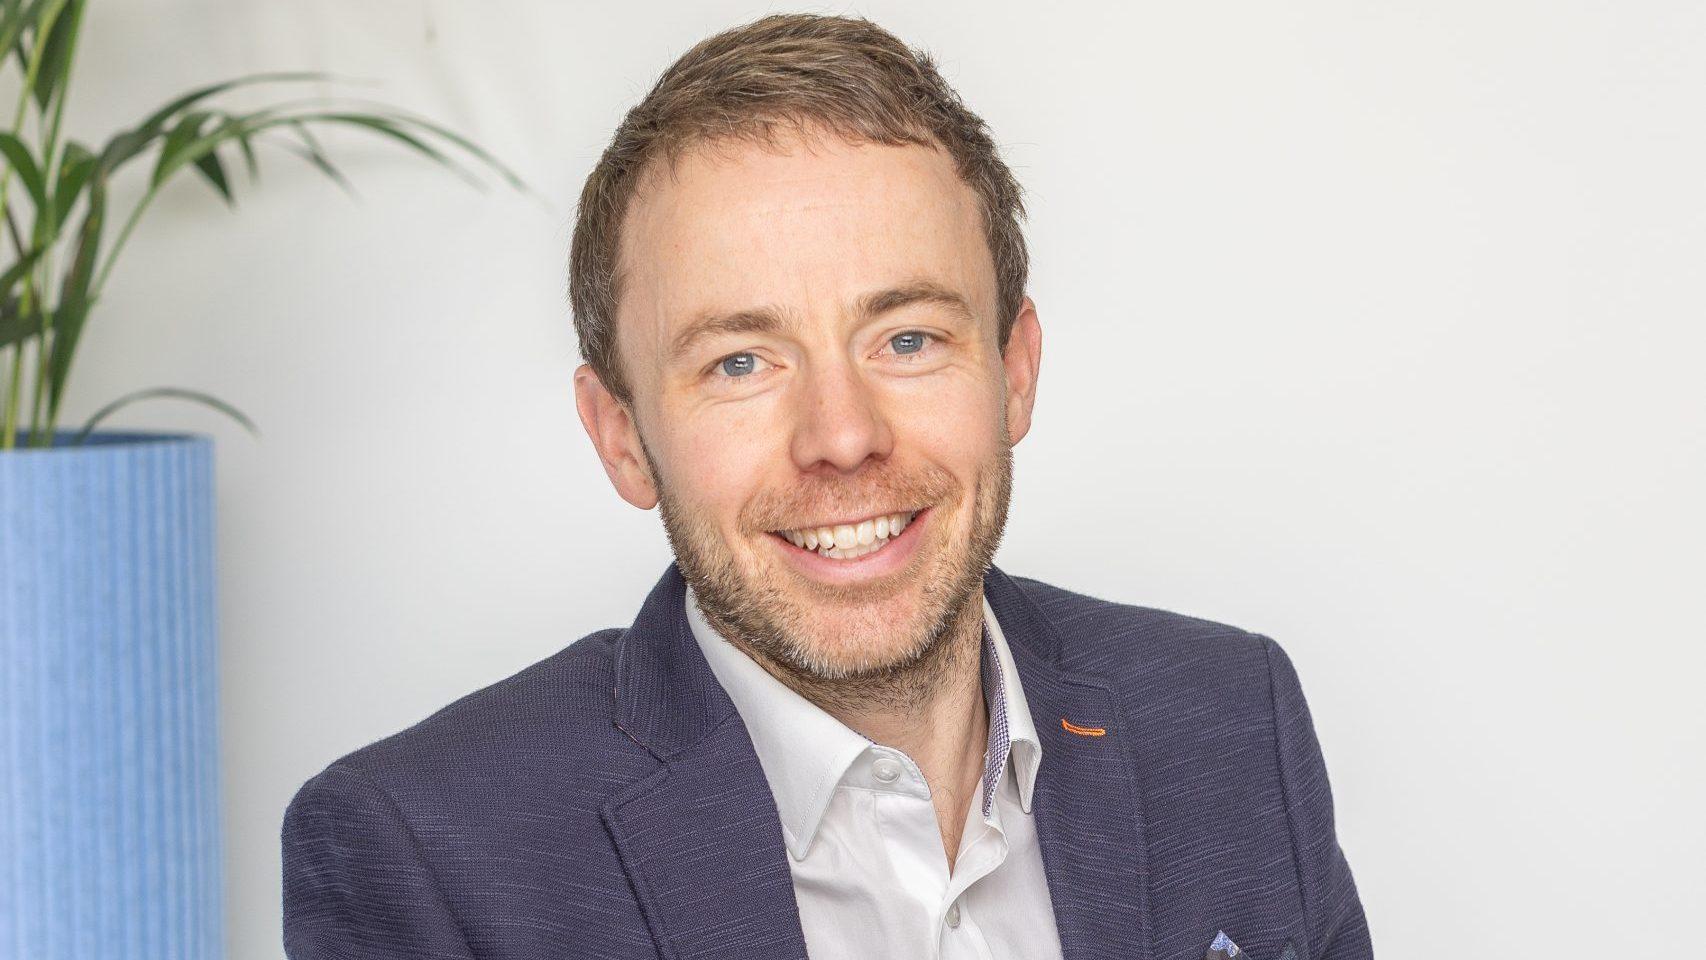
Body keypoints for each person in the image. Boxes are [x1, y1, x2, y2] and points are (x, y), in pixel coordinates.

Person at [282, 13, 1373, 960]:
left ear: (1014, 372)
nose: (843, 437)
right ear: (621, 437)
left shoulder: (1230, 716)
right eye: (739, 363)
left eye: (907, 338)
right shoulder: (428, 855)